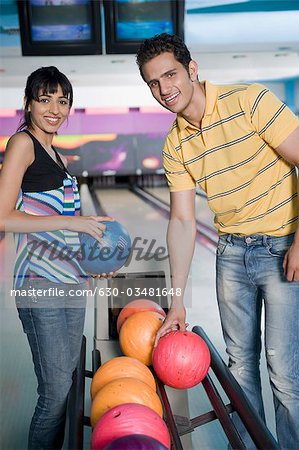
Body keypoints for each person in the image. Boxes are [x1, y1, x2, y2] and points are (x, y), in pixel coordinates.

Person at [136, 33, 299, 450]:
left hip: (282, 249)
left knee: (283, 372)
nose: (164, 88)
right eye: (153, 83)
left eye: (170, 74)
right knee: (239, 366)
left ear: (192, 70)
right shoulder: (175, 144)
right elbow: (183, 222)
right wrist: (176, 301)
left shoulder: (250, 102)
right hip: (231, 254)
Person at [0, 66, 112, 450]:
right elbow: (3, 215)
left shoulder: (53, 151)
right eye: (44, 99)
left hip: (70, 282)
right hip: (39, 285)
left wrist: (89, 262)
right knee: (54, 394)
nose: (54, 108)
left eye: (62, 101)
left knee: (66, 385)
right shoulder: (23, 144)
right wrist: (79, 224)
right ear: (28, 103)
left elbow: (61, 225)